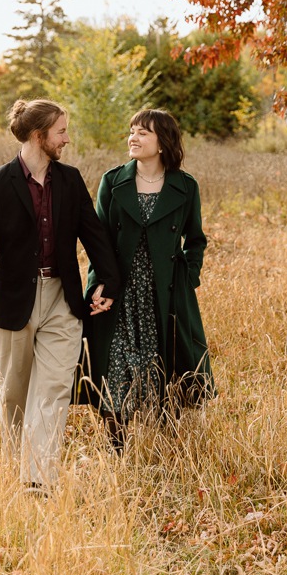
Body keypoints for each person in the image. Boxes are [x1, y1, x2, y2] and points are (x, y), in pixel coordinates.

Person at [0, 98, 121, 490]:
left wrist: (109, 282)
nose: (67, 139)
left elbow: (94, 234)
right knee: (13, 395)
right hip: (13, 301)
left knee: (53, 390)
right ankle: (18, 472)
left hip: (62, 300)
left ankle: (38, 483)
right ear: (39, 135)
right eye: (61, 131)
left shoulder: (71, 180)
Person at [83, 108, 215, 445]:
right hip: (118, 291)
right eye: (131, 130)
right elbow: (99, 241)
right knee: (113, 364)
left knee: (163, 367)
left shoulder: (185, 187)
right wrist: (99, 283)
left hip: (166, 293)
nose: (133, 137)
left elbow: (196, 239)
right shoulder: (113, 181)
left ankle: (163, 449)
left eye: (143, 132)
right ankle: (118, 449)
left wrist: (189, 278)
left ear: (162, 142)